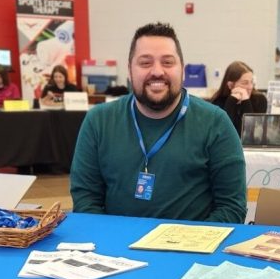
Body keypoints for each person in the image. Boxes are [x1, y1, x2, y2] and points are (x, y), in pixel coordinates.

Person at [69, 22, 246, 223]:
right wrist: (112, 239)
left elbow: (232, 207)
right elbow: (86, 200)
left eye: (168, 62)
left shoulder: (216, 123)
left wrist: (187, 240)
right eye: (145, 63)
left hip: (191, 242)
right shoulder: (98, 121)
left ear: (182, 69)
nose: (157, 71)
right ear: (129, 70)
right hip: (113, 241)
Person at [210, 61, 267, 135]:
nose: (250, 87)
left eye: (251, 82)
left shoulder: (260, 100)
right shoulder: (217, 102)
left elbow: (252, 132)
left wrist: (246, 101)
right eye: (245, 83)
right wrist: (231, 101)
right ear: (230, 85)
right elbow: (223, 131)